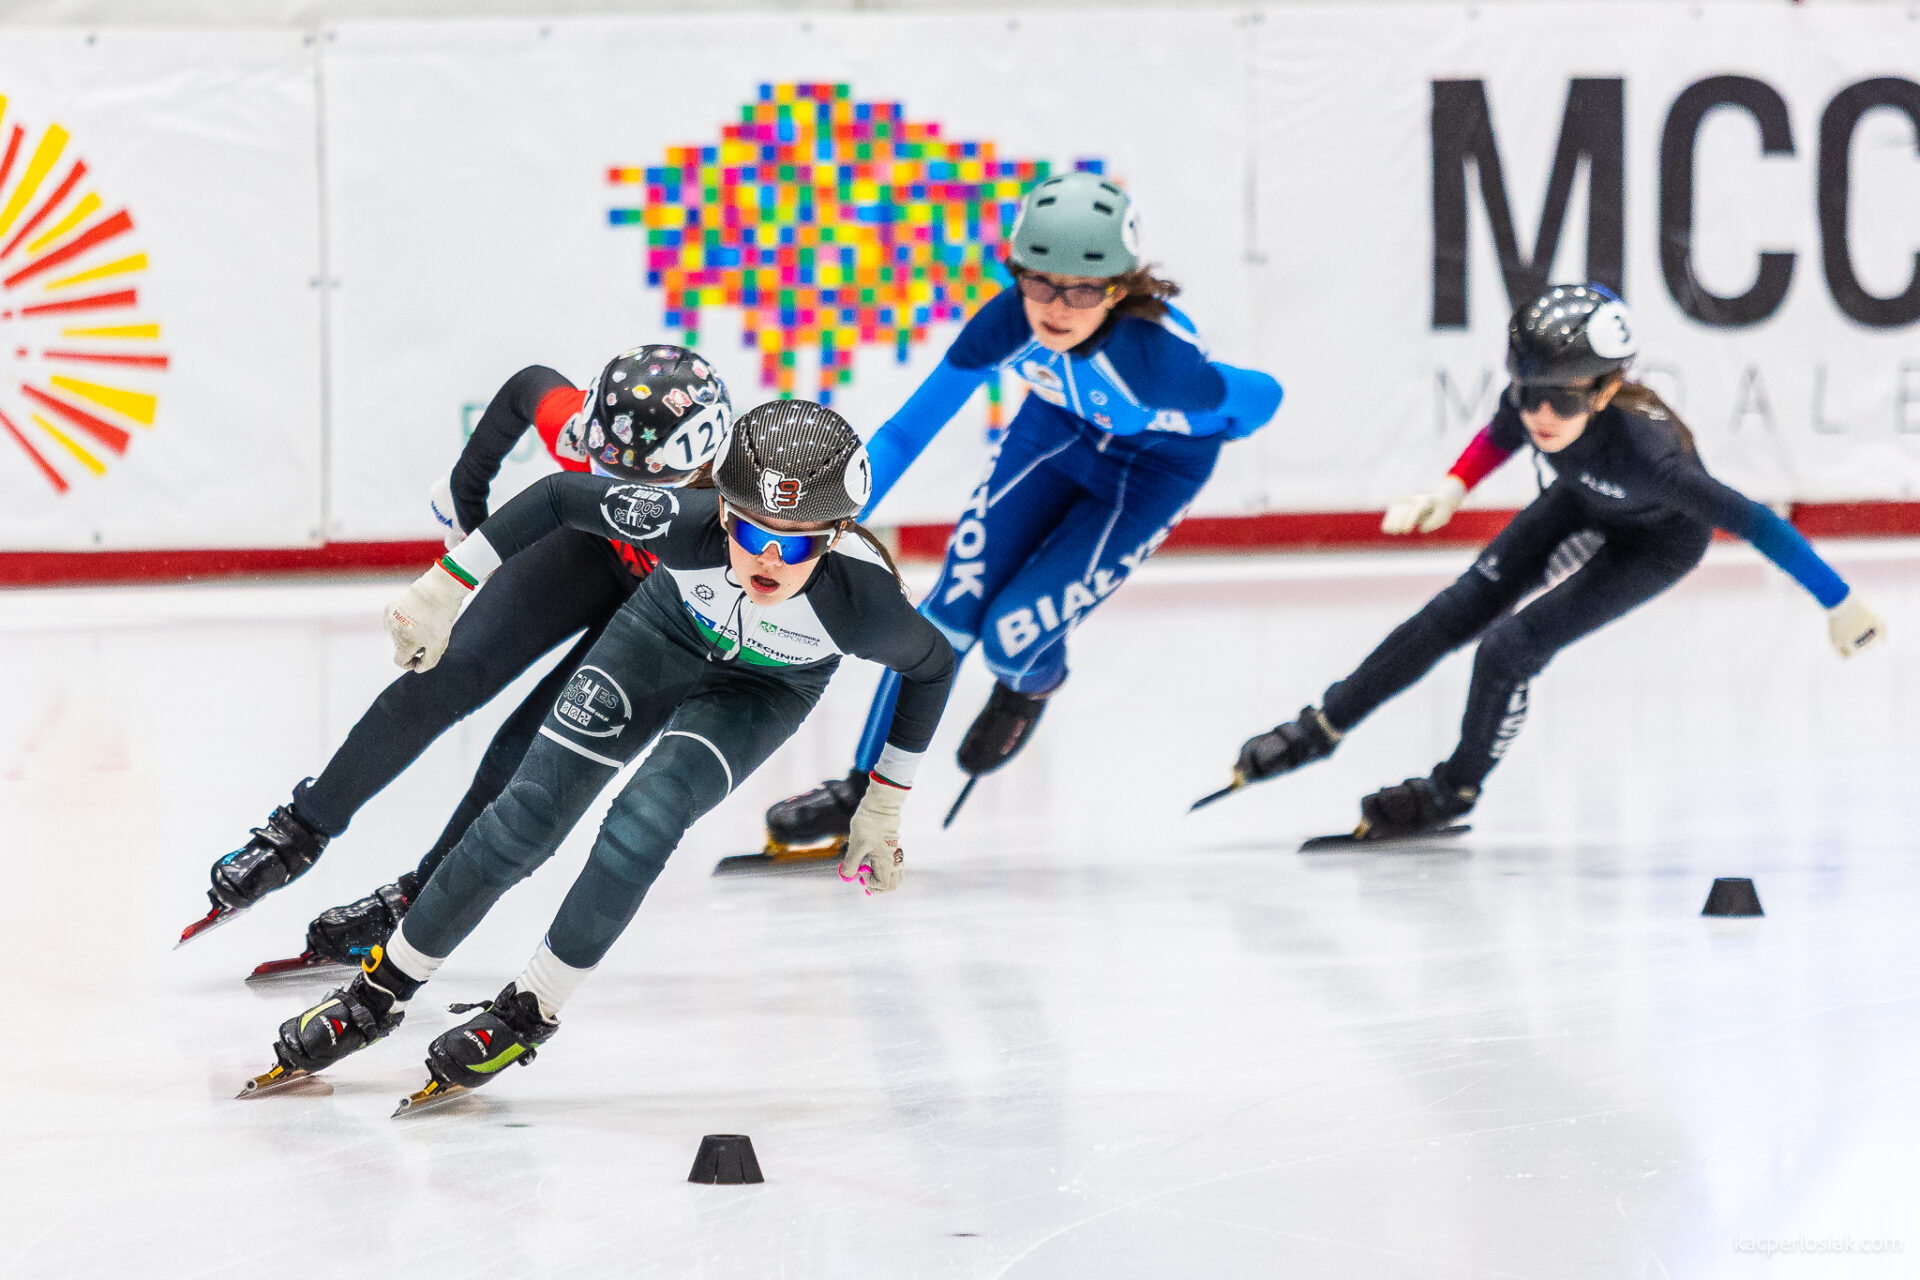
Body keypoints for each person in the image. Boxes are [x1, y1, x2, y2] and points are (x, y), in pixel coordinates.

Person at [245, 400, 956, 1105]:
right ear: (721, 509)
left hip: (764, 687)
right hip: (665, 630)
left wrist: (884, 805)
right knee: (524, 814)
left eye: (797, 545)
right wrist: (442, 587)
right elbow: (558, 495)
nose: (769, 558)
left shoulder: (862, 604)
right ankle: (379, 991)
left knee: (644, 821)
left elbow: (933, 668)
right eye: (748, 531)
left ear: (834, 538)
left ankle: (532, 1008)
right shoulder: (685, 524)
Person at [1223, 284, 1886, 840]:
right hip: (1581, 502)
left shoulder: (1649, 457)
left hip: (1656, 545)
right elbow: (1500, 435)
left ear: (1606, 389)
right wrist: (1452, 487)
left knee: (1509, 649)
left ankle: (1456, 789)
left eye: (1563, 398)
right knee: (1456, 610)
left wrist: (1839, 601)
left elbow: (1758, 522)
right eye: (1528, 390)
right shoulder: (1537, 400)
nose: (1541, 412)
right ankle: (1324, 724)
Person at [765, 170, 1284, 849]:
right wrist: (825, 521)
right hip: (1055, 434)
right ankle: (862, 793)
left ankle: (1028, 687)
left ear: (1118, 288)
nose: (1057, 309)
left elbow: (1263, 398)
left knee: (1013, 637)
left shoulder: (1157, 364)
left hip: (1154, 470)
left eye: (1083, 290)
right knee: (947, 616)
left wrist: (1209, 428)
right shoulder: (1009, 322)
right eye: (1040, 283)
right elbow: (905, 434)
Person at [182, 346, 733, 965]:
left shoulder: (736, 523)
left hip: (675, 611)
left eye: (632, 486)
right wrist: (467, 490)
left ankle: (420, 901)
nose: (608, 489)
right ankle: (300, 828)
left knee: (530, 753)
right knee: (447, 673)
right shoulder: (600, 433)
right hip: (593, 551)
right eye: (599, 469)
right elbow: (530, 386)